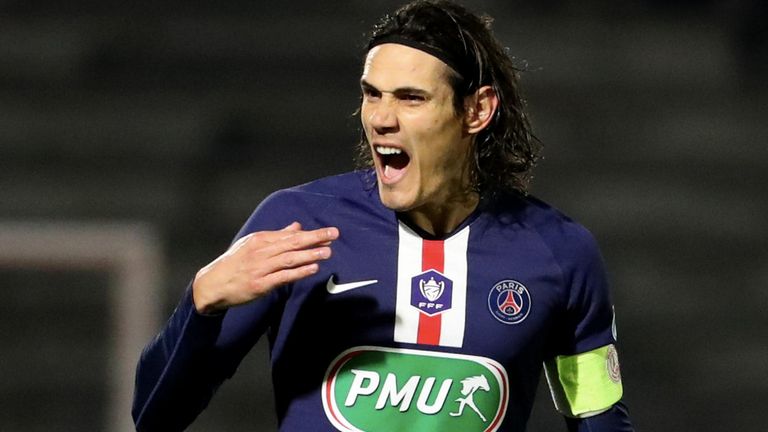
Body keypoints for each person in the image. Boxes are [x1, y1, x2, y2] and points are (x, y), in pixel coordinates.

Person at [132, 1, 634, 431]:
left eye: (411, 98)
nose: (380, 118)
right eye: (372, 93)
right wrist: (202, 305)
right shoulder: (297, 226)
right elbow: (154, 417)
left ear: (477, 110)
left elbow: (599, 417)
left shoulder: (559, 253)